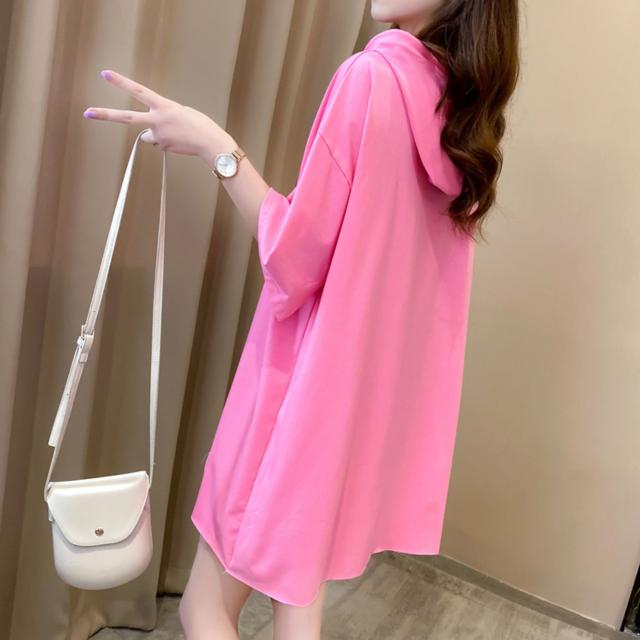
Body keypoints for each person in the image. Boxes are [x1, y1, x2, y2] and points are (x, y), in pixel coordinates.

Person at [84, 0, 519, 637]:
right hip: (356, 419)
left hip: (291, 396)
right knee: (296, 602)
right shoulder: (460, 115)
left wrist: (216, 147)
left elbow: (294, 258)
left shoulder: (370, 78)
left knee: (206, 607)